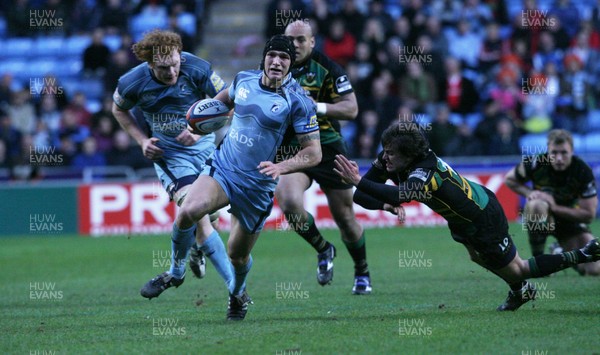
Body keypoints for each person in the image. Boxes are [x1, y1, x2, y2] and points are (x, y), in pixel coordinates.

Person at [333, 122, 600, 311]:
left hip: (482, 217)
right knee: (477, 257)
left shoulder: (425, 173)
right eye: (385, 150)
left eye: (390, 153)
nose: (385, 158)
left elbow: (395, 194)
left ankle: (583, 254)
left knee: (518, 268)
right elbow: (362, 197)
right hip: (462, 219)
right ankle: (520, 291)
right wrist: (383, 204)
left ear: (408, 155)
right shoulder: (394, 157)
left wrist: (359, 180)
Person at [172, 34, 321, 320]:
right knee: (189, 210)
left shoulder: (299, 101)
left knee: (236, 255)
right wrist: (197, 125)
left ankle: (237, 294)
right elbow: (220, 104)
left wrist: (282, 167)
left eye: (284, 57)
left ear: (291, 64)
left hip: (257, 184)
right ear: (264, 58)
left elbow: (313, 153)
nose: (277, 61)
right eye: (272, 55)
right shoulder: (243, 80)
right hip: (224, 168)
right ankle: (174, 272)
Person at [111, 30, 233, 299]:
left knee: (208, 215)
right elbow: (118, 109)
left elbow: (230, 103)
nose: (171, 72)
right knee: (200, 216)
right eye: (163, 68)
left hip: (205, 150)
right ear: (150, 64)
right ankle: (236, 290)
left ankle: (192, 253)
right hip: (170, 157)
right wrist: (142, 141)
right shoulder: (132, 82)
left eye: (175, 64)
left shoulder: (199, 68)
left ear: (180, 56)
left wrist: (200, 132)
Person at [278, 20, 371, 294]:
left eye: (300, 40)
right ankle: (323, 248)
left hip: (328, 147)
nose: (294, 45)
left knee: (343, 217)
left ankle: (362, 271)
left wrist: (313, 106)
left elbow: (351, 109)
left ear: (312, 42)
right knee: (289, 201)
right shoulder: (274, 65)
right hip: (291, 148)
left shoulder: (328, 68)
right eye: (290, 40)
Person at [504, 129, 600, 275]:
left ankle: (558, 250)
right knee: (536, 205)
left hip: (570, 220)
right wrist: (529, 193)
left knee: (593, 270)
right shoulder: (537, 162)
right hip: (543, 215)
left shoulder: (582, 171)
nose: (559, 158)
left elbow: (589, 215)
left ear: (572, 151)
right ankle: (539, 260)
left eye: (564, 153)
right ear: (548, 150)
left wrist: (554, 206)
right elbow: (509, 179)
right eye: (554, 153)